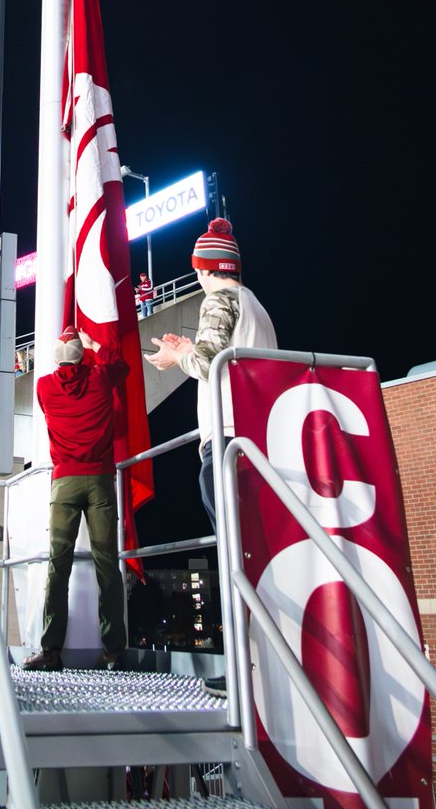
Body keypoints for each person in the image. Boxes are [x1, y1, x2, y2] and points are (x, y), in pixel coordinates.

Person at [145, 217, 276, 697]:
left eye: (197, 270)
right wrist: (188, 349)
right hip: (255, 437)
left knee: (234, 555)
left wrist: (178, 356)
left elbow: (208, 362)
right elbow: (220, 355)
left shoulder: (218, 299)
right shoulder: (254, 304)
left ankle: (244, 674)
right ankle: (263, 668)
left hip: (225, 438)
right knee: (254, 553)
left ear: (205, 268)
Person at [23, 327, 130, 673]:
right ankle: (114, 652)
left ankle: (51, 651)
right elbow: (121, 366)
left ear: (56, 359)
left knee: (58, 566)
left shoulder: (44, 387)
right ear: (82, 357)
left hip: (64, 483)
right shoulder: (99, 378)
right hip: (100, 481)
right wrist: (95, 344)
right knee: (107, 564)